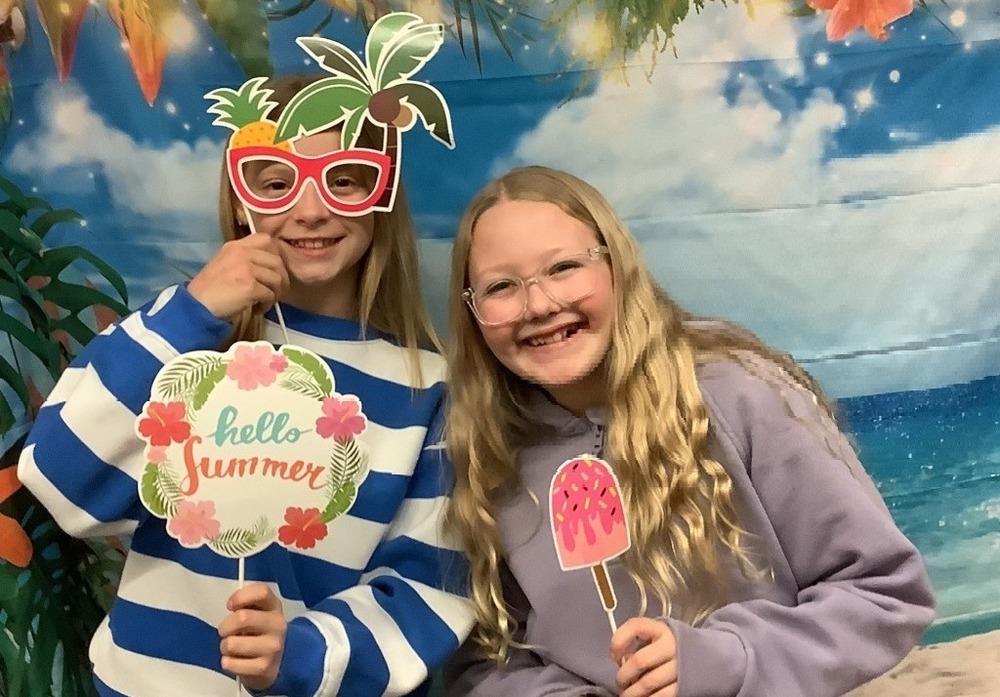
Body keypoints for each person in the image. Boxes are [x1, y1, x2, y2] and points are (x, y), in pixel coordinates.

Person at [17, 75, 473, 697]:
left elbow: (429, 589)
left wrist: (303, 653)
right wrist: (193, 312)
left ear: (382, 193)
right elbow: (58, 477)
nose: (311, 209)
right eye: (276, 180)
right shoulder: (178, 339)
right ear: (240, 198)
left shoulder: (429, 390)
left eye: (344, 177)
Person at [441, 165, 935, 697]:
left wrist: (726, 661)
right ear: (472, 312)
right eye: (501, 287)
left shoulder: (738, 394)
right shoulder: (484, 454)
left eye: (563, 267)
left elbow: (886, 596)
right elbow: (482, 664)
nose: (538, 305)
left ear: (616, 267)